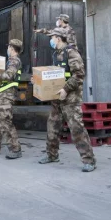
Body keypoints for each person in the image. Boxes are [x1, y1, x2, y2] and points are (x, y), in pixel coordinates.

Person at [38, 28, 96, 172]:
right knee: (52, 127)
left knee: (76, 129)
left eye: (52, 37)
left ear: (58, 38)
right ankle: (52, 155)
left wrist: (66, 89)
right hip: (57, 98)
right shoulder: (55, 54)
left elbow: (79, 74)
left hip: (70, 98)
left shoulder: (71, 52)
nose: (51, 40)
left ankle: (89, 160)